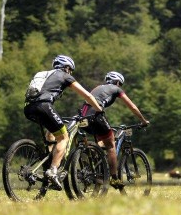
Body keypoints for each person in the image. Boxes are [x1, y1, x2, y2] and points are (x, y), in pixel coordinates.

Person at [24, 55, 103, 190]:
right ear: (66, 67)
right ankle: (53, 171)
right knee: (64, 137)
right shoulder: (65, 76)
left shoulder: (43, 74)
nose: (70, 72)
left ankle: (48, 161)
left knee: (52, 132)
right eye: (70, 70)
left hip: (28, 107)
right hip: (44, 106)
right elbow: (88, 96)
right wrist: (99, 109)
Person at [79, 71, 150, 189]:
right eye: (120, 84)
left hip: (83, 116)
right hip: (96, 115)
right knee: (111, 145)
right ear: (117, 82)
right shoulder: (116, 89)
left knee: (102, 141)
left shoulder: (98, 87)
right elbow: (132, 106)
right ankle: (114, 178)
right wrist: (143, 121)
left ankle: (97, 167)